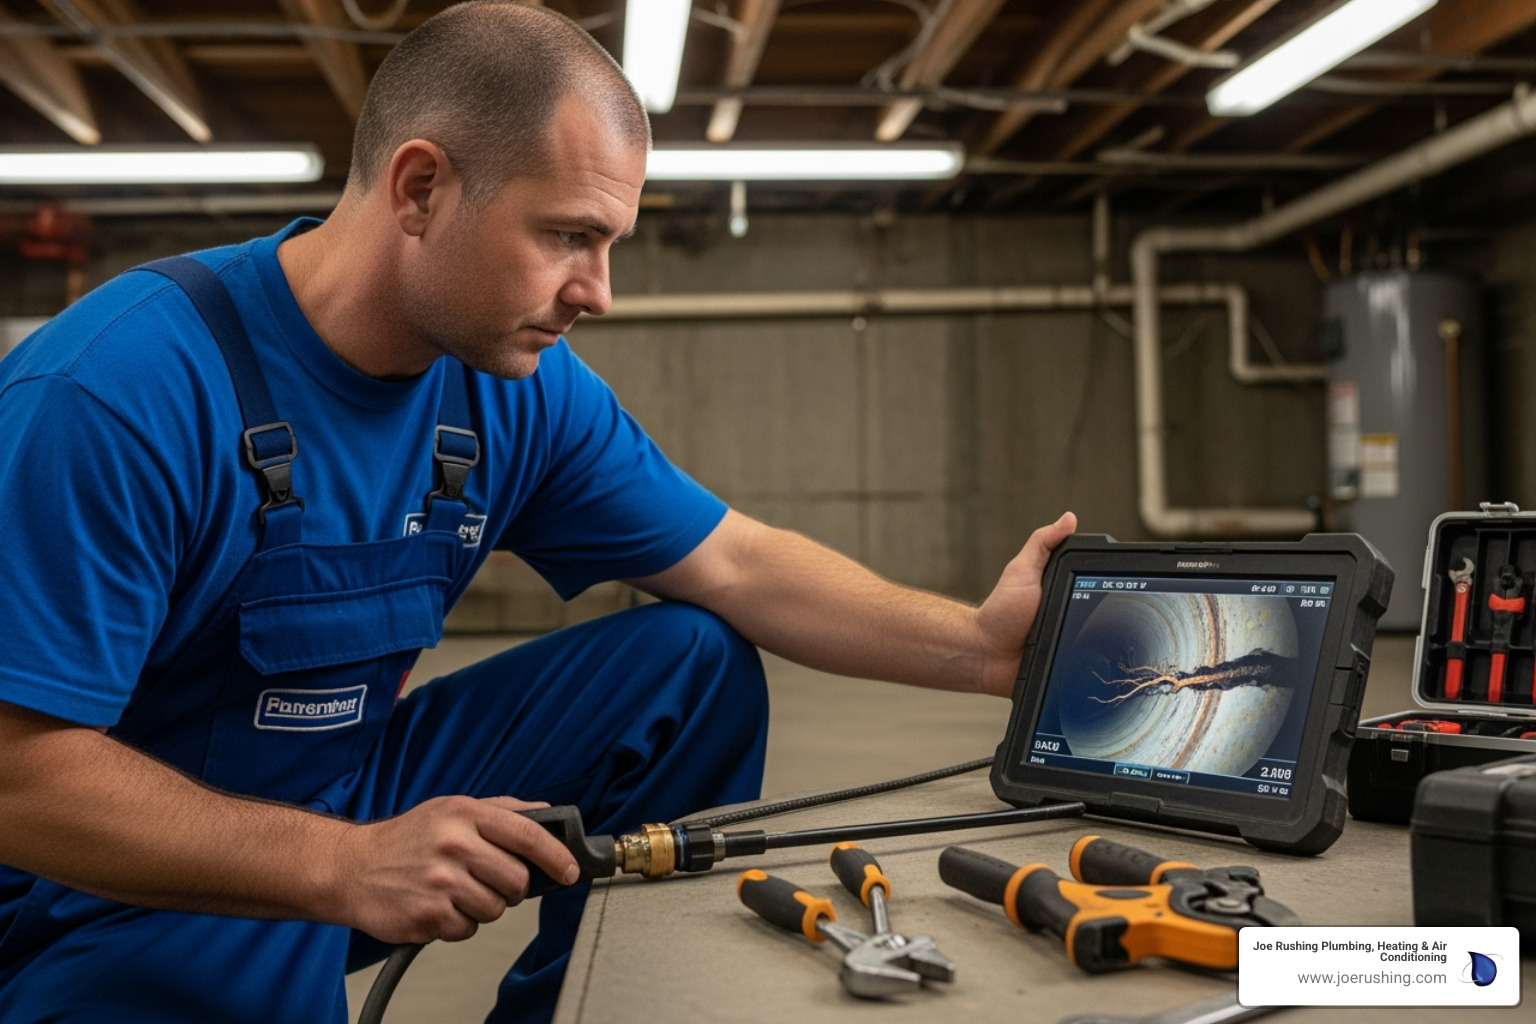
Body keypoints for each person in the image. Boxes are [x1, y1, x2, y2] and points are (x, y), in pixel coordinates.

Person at [0, 3, 1075, 1022]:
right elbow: (16, 777)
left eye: (610, 244)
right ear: (421, 188)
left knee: (686, 664)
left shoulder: (510, 392)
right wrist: (343, 864)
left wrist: (981, 650)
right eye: (567, 235)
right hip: (95, 889)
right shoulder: (118, 391)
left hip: (341, 793)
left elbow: (738, 564)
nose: (598, 290)